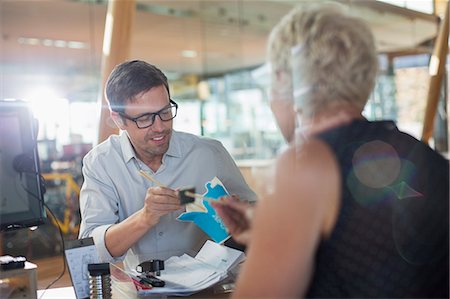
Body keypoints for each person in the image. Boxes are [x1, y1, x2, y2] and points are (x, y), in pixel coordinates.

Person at [212, 3, 449, 298]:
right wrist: (272, 229)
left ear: (286, 80)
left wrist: (272, 237)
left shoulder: (306, 163)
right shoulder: (417, 153)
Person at [78, 60, 256, 271]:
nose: (160, 127)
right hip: (140, 290)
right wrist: (145, 217)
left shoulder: (210, 153)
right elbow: (90, 249)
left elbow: (257, 216)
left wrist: (242, 214)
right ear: (118, 120)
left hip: (213, 287)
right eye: (145, 118)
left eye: (165, 112)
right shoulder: (101, 163)